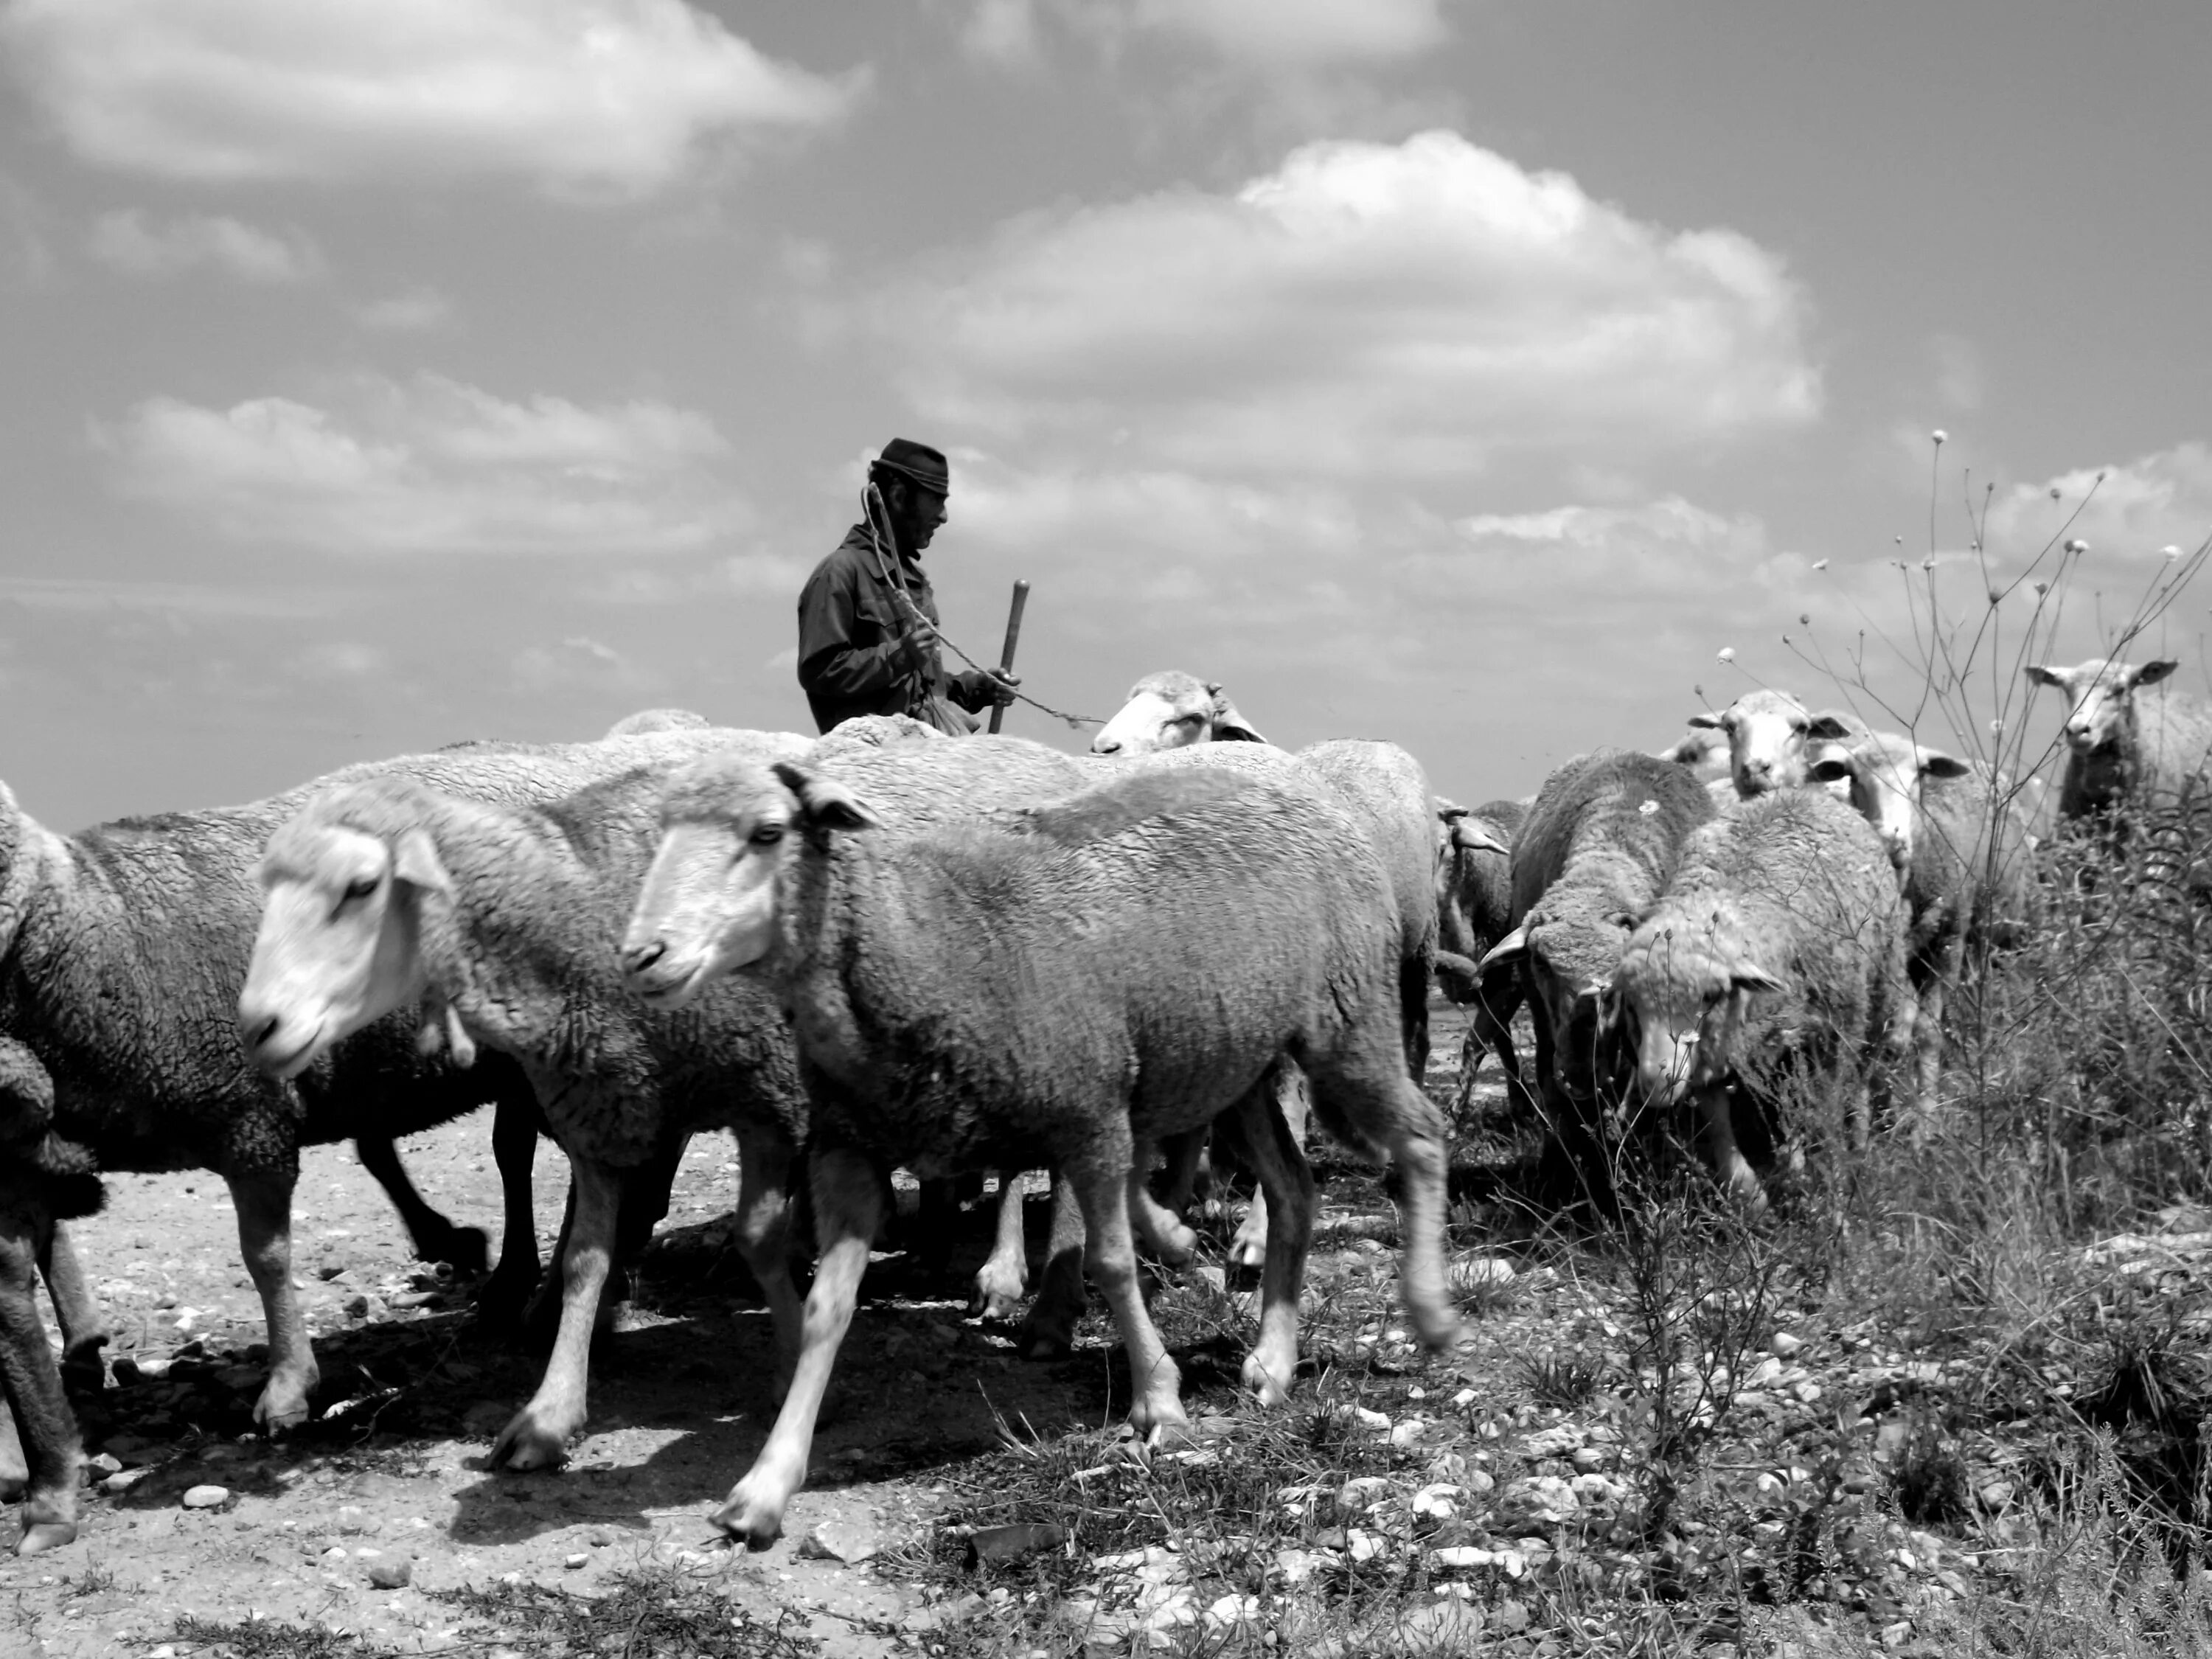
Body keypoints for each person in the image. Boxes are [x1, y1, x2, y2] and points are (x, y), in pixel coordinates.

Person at [794, 438, 1018, 736]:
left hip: (928, 751)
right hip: (870, 761)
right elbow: (820, 672)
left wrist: (978, 688)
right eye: (936, 500)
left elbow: (922, 694)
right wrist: (900, 656)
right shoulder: (840, 571)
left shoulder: (914, 583)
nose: (943, 516)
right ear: (899, 496)